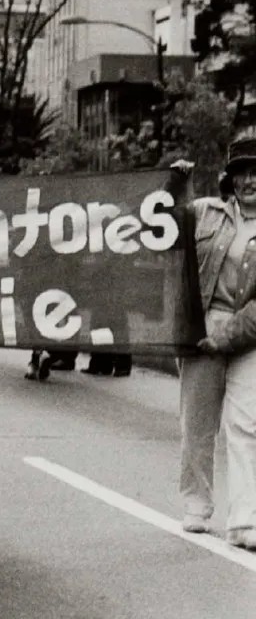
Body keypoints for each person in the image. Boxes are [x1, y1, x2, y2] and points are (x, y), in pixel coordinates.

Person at [175, 129, 256, 549]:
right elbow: (162, 226)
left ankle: (245, 520)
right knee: (197, 424)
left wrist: (226, 336)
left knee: (247, 424)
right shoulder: (206, 212)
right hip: (202, 329)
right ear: (230, 178)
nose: (250, 181)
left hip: (249, 334)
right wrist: (175, 184)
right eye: (241, 172)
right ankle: (196, 506)